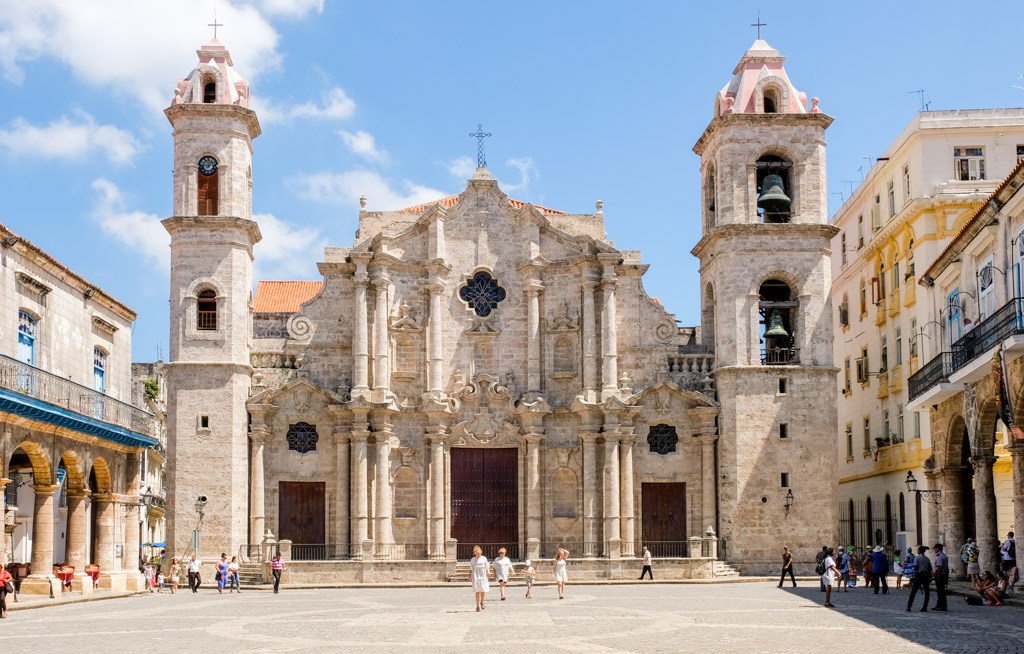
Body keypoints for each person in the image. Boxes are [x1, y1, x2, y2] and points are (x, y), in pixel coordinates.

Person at [906, 545, 933, 612]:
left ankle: (909, 606)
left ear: (919, 551)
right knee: (927, 592)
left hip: (919, 576)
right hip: (926, 576)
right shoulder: (927, 559)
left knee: (913, 592)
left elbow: (915, 567)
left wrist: (915, 573)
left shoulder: (917, 558)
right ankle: (925, 607)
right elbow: (930, 568)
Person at [470, 545, 490, 611]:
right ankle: (477, 606)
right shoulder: (473, 559)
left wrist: (488, 572)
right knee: (477, 591)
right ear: (474, 553)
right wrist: (469, 575)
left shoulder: (484, 558)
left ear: (481, 552)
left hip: (483, 576)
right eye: (476, 553)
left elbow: (487, 566)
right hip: (476, 576)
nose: (478, 554)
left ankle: (482, 601)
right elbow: (471, 568)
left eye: (479, 553)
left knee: (483, 590)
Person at [932, 543, 949, 611]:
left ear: (938, 548)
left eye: (935, 548)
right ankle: (939, 605)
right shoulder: (943, 555)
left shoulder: (940, 556)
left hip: (940, 575)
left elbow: (939, 567)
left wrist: (937, 576)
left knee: (940, 591)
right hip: (943, 574)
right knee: (941, 591)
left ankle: (942, 606)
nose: (934, 550)